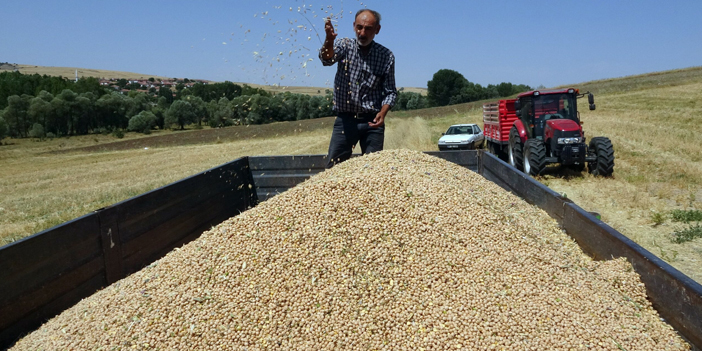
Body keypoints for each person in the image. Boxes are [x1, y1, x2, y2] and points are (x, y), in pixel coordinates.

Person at [319, 9, 397, 168]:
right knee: (334, 168)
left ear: (377, 30)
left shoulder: (386, 56)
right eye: (359, 27)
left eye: (368, 29)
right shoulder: (344, 45)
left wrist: (382, 113)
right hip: (345, 120)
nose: (362, 32)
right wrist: (329, 40)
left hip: (372, 121)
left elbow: (390, 92)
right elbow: (326, 59)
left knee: (373, 169)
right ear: (354, 26)